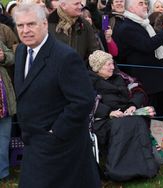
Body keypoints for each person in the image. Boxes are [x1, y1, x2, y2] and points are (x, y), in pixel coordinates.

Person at [13, 3, 101, 187]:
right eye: (20, 25)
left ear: (45, 24)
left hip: (61, 146)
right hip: (33, 141)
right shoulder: (21, 51)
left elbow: (83, 100)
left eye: (31, 24)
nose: (25, 30)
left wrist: (56, 132)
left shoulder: (65, 57)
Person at [88, 50, 158, 181]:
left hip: (127, 113)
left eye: (112, 64)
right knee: (122, 125)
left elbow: (138, 90)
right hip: (103, 120)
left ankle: (146, 168)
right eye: (108, 65)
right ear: (98, 67)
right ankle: (118, 171)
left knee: (137, 122)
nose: (113, 67)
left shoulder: (121, 76)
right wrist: (109, 112)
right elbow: (87, 102)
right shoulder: (88, 81)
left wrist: (133, 105)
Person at [117, 0, 163, 114]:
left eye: (146, 3)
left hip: (156, 82)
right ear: (131, 8)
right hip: (145, 84)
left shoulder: (143, 24)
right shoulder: (127, 27)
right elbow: (147, 45)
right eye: (141, 3)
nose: (145, 6)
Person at [0, 41, 16, 182]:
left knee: (4, 138)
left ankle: (3, 173)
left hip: (3, 101)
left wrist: (3, 56)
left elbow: (12, 57)